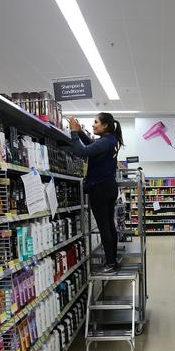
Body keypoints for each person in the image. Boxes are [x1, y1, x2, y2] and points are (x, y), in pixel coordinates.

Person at [67, 113, 123, 274]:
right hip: (110, 187)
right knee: (110, 225)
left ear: (105, 125)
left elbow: (81, 152)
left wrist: (73, 133)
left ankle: (111, 263)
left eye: (96, 122)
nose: (93, 125)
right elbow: (92, 145)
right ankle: (113, 259)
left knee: (104, 227)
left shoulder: (105, 142)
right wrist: (80, 132)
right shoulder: (111, 140)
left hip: (99, 189)